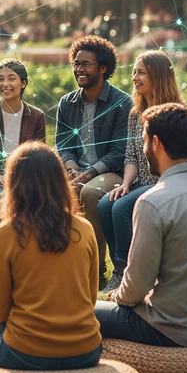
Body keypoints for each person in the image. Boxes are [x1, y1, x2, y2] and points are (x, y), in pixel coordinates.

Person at [95, 103, 187, 347]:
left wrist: (116, 296)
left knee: (79, 313)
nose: (143, 149)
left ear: (156, 143)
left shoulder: (152, 202)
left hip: (172, 328)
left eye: (144, 141)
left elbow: (134, 290)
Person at [0, 141, 102, 370]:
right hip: (87, 352)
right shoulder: (84, 228)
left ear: (14, 184)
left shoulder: (6, 232)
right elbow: (91, 299)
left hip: (24, 354)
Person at [97, 51, 184, 293]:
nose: (135, 77)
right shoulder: (135, 113)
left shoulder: (173, 113)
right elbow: (131, 156)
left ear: (156, 76)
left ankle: (128, 273)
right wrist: (125, 184)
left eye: (141, 72)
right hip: (138, 182)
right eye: (134, 72)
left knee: (122, 208)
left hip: (164, 183)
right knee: (107, 203)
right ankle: (118, 270)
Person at [55, 35, 132, 275]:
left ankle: (94, 266)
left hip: (111, 172)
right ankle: (57, 262)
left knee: (89, 192)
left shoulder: (121, 103)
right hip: (76, 169)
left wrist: (88, 174)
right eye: (76, 63)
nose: (79, 69)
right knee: (50, 190)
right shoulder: (66, 103)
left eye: (85, 64)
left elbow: (119, 151)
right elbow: (63, 143)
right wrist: (70, 168)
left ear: (103, 68)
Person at [0, 58, 46, 233]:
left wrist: (18, 180)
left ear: (23, 83)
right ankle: (1, 252)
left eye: (11, 78)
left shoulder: (36, 116)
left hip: (25, 179)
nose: (5, 84)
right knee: (1, 196)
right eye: (0, 79)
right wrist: (0, 179)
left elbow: (39, 157)